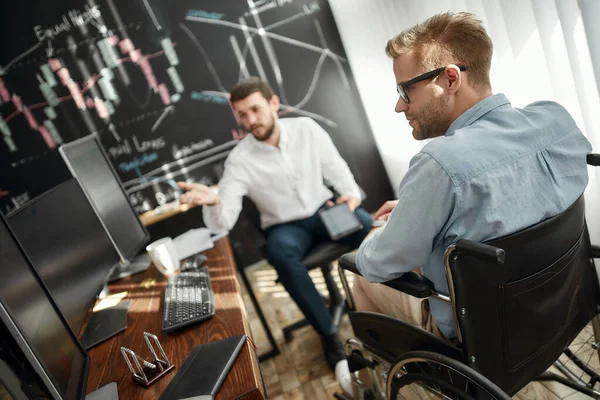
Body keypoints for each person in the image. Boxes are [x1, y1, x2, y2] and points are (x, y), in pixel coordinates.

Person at [354, 11, 592, 341]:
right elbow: (518, 197)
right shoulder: (555, 118)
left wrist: (378, 232)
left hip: (484, 331)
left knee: (360, 274)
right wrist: (417, 206)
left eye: (406, 90)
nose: (399, 106)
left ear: (450, 79)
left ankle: (375, 383)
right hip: (565, 297)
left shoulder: (438, 165)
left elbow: (380, 264)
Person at [177, 77, 372, 386]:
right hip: (286, 227)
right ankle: (329, 335)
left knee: (368, 226)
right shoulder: (238, 160)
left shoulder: (306, 129)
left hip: (325, 211)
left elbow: (336, 168)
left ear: (273, 104)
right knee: (279, 255)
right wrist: (214, 201)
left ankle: (395, 300)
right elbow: (222, 223)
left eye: (255, 109)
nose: (250, 120)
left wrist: (351, 195)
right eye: (242, 115)